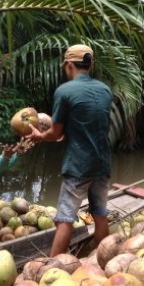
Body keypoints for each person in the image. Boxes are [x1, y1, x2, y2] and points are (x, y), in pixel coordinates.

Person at [25, 44, 114, 257]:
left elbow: (55, 134)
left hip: (78, 165)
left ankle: (53, 269)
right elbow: (90, 123)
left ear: (68, 65)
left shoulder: (64, 91)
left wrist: (39, 136)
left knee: (64, 219)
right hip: (102, 164)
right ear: (90, 64)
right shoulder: (105, 90)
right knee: (100, 214)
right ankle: (101, 258)